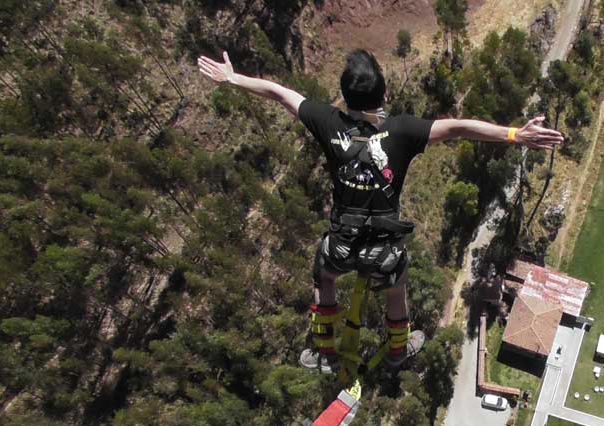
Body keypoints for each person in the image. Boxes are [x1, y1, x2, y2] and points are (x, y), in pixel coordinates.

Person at [198, 49, 564, 373]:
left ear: (344, 96)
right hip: (383, 253)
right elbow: (460, 127)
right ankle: (396, 351)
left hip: (340, 247)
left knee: (323, 278)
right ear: (384, 94)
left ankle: (325, 353)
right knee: (395, 288)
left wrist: (233, 78)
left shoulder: (327, 122)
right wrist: (517, 134)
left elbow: (279, 93)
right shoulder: (402, 130)